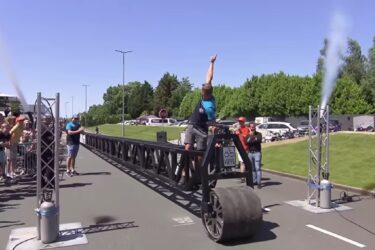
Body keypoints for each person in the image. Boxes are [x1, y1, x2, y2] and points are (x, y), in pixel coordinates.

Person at [181, 55, 217, 186]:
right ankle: (184, 173)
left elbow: (212, 121)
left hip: (202, 129)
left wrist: (215, 127)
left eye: (203, 93)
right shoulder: (205, 94)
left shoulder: (210, 106)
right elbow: (209, 77)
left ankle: (197, 175)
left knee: (200, 155)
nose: (201, 94)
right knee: (188, 148)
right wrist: (212, 63)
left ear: (207, 94)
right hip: (192, 125)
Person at [246, 122, 262, 188]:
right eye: (251, 127)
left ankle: (259, 183)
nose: (252, 128)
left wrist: (253, 137)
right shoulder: (247, 135)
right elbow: (247, 142)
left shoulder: (259, 134)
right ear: (249, 127)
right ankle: (254, 181)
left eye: (253, 127)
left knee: (257, 168)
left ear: (255, 127)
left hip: (257, 153)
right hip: (250, 153)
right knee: (252, 168)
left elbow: (258, 140)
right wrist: (250, 136)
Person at [235, 116, 250, 182]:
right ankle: (243, 176)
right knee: (242, 162)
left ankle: (245, 176)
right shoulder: (237, 129)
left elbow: (246, 137)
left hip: (245, 147)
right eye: (239, 121)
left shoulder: (246, 129)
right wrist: (235, 131)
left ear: (244, 122)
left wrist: (240, 132)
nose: (240, 123)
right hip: (239, 147)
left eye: (241, 121)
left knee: (245, 162)